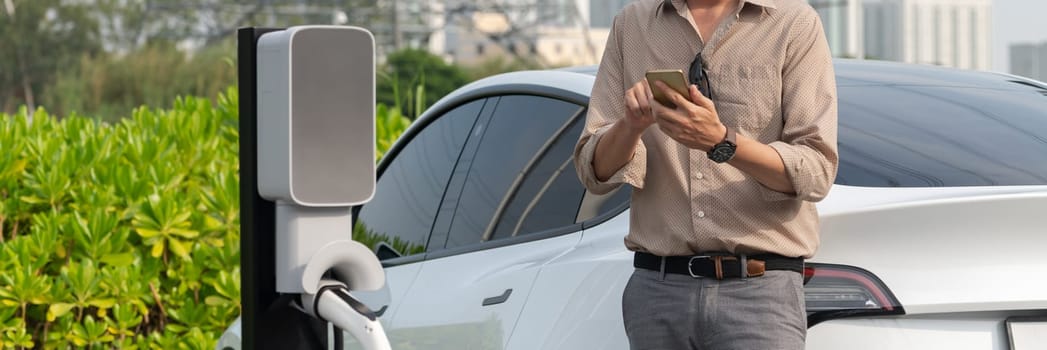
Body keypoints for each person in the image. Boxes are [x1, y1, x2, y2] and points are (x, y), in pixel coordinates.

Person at [573, 0, 838, 348]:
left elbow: (817, 170)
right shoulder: (631, 24)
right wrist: (631, 125)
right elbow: (592, 171)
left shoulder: (794, 22)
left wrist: (721, 141)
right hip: (658, 291)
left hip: (759, 294)